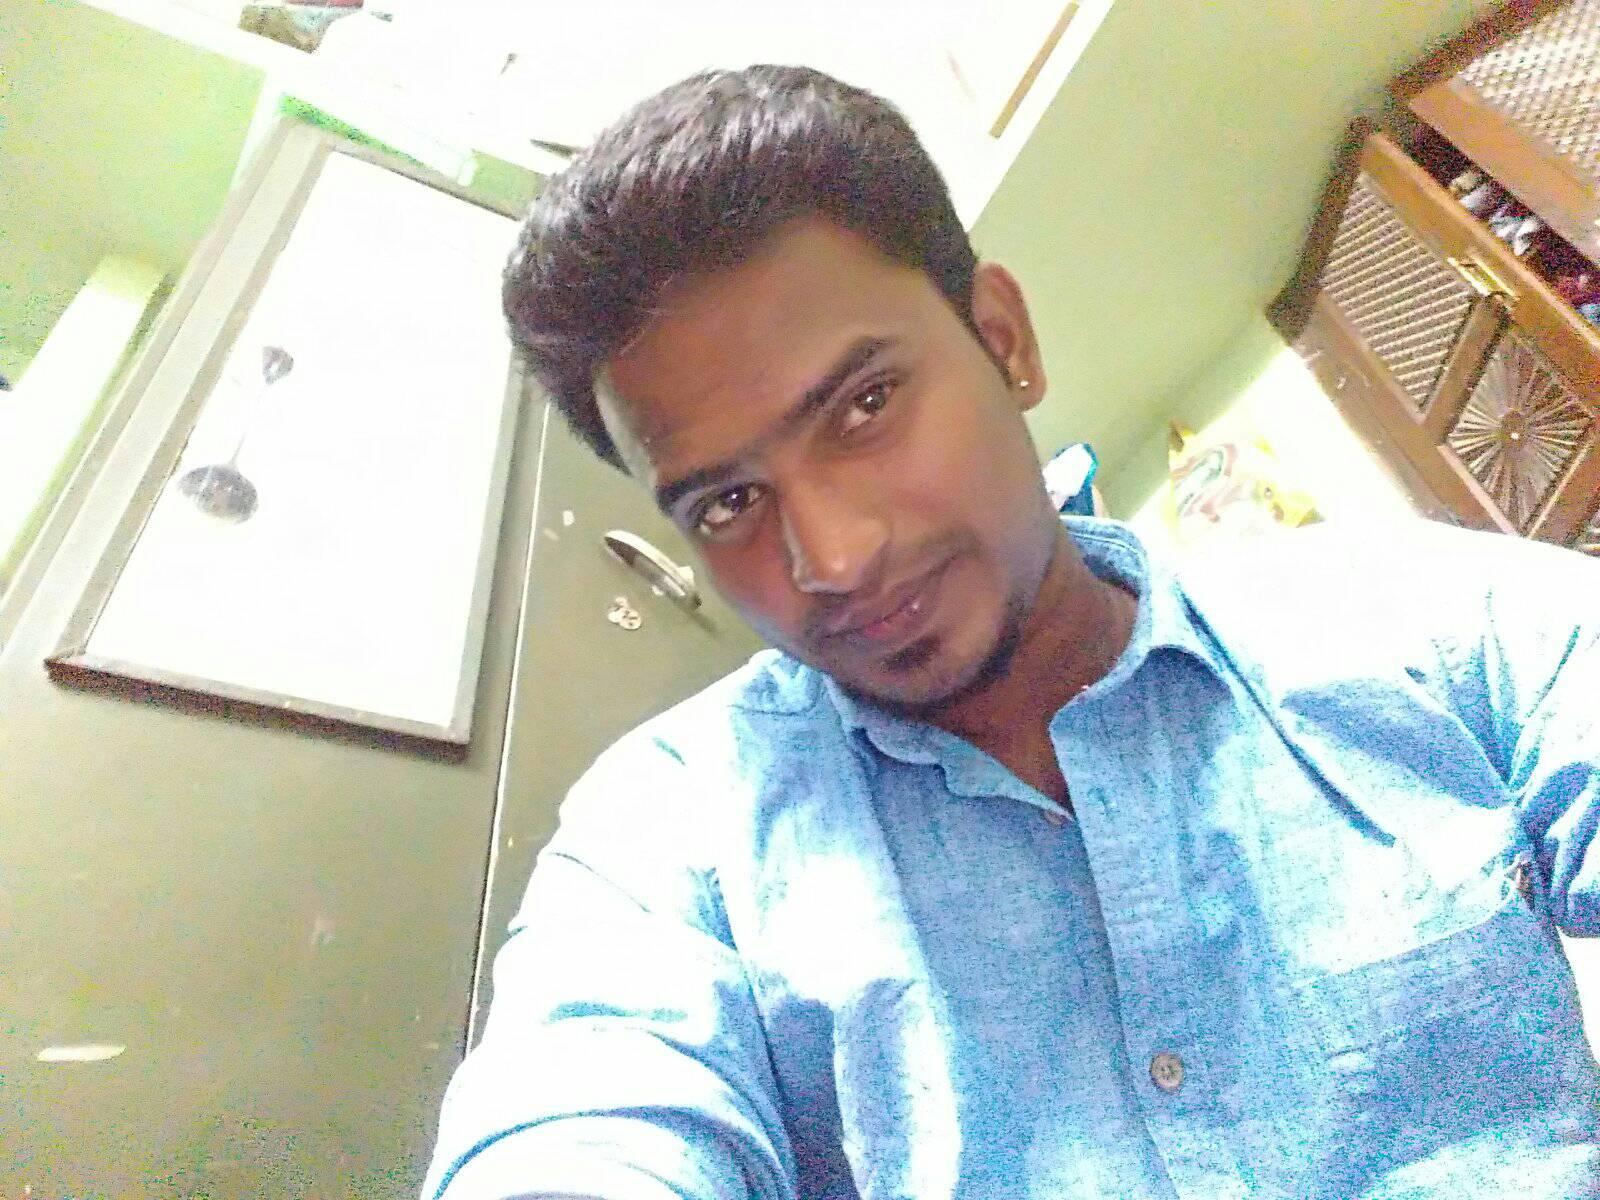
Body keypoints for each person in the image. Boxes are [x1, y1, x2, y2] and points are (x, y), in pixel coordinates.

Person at [423, 65, 1600, 1199]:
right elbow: (578, 1119)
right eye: (727, 504)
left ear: (1003, 340)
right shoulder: (675, 836)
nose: (834, 558)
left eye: (863, 406)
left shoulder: (1428, 628)